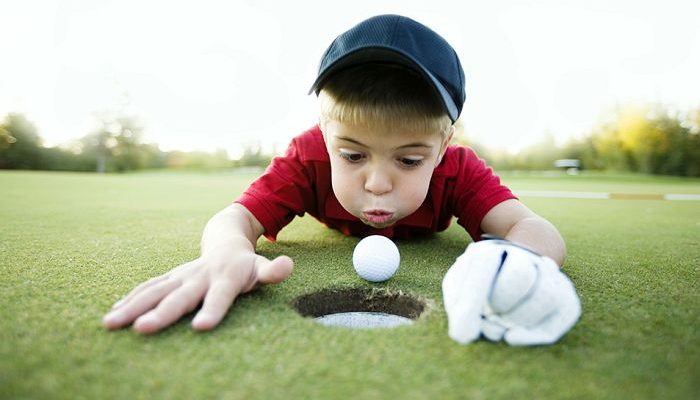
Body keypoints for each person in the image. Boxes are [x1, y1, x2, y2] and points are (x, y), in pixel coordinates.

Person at [103, 14, 580, 345]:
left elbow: (537, 230)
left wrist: (517, 264)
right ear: (325, 133)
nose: (376, 183)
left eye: (409, 161)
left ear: (443, 143)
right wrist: (226, 251)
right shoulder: (306, 156)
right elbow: (237, 219)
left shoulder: (459, 169)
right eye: (351, 154)